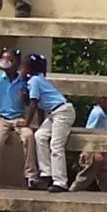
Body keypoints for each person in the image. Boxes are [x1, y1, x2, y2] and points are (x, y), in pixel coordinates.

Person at [0, 48, 37, 189]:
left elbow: (31, 102)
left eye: (10, 60)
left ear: (17, 63)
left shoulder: (23, 80)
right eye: (4, 60)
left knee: (28, 137)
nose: (6, 63)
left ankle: (31, 176)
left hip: (18, 118)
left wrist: (26, 98)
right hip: (2, 118)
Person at [23, 53, 77, 191]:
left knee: (56, 145)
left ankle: (60, 182)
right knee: (39, 135)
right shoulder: (37, 80)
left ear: (29, 68)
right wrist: (41, 125)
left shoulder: (35, 80)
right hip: (53, 114)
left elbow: (34, 104)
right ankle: (46, 173)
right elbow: (40, 107)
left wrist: (26, 123)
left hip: (62, 112)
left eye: (24, 66)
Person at [70, 102, 107, 193]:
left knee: (106, 178)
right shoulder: (98, 113)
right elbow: (90, 131)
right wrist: (93, 151)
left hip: (101, 150)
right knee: (85, 177)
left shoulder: (101, 113)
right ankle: (70, 193)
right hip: (95, 150)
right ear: (102, 99)